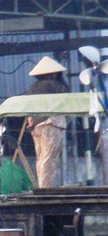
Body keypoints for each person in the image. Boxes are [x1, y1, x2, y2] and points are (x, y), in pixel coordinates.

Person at [24, 56, 69, 188]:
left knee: (41, 158)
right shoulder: (55, 85)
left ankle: (42, 185)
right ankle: (45, 188)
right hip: (51, 122)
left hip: (36, 125)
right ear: (54, 72)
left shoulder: (33, 87)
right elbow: (66, 97)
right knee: (50, 158)